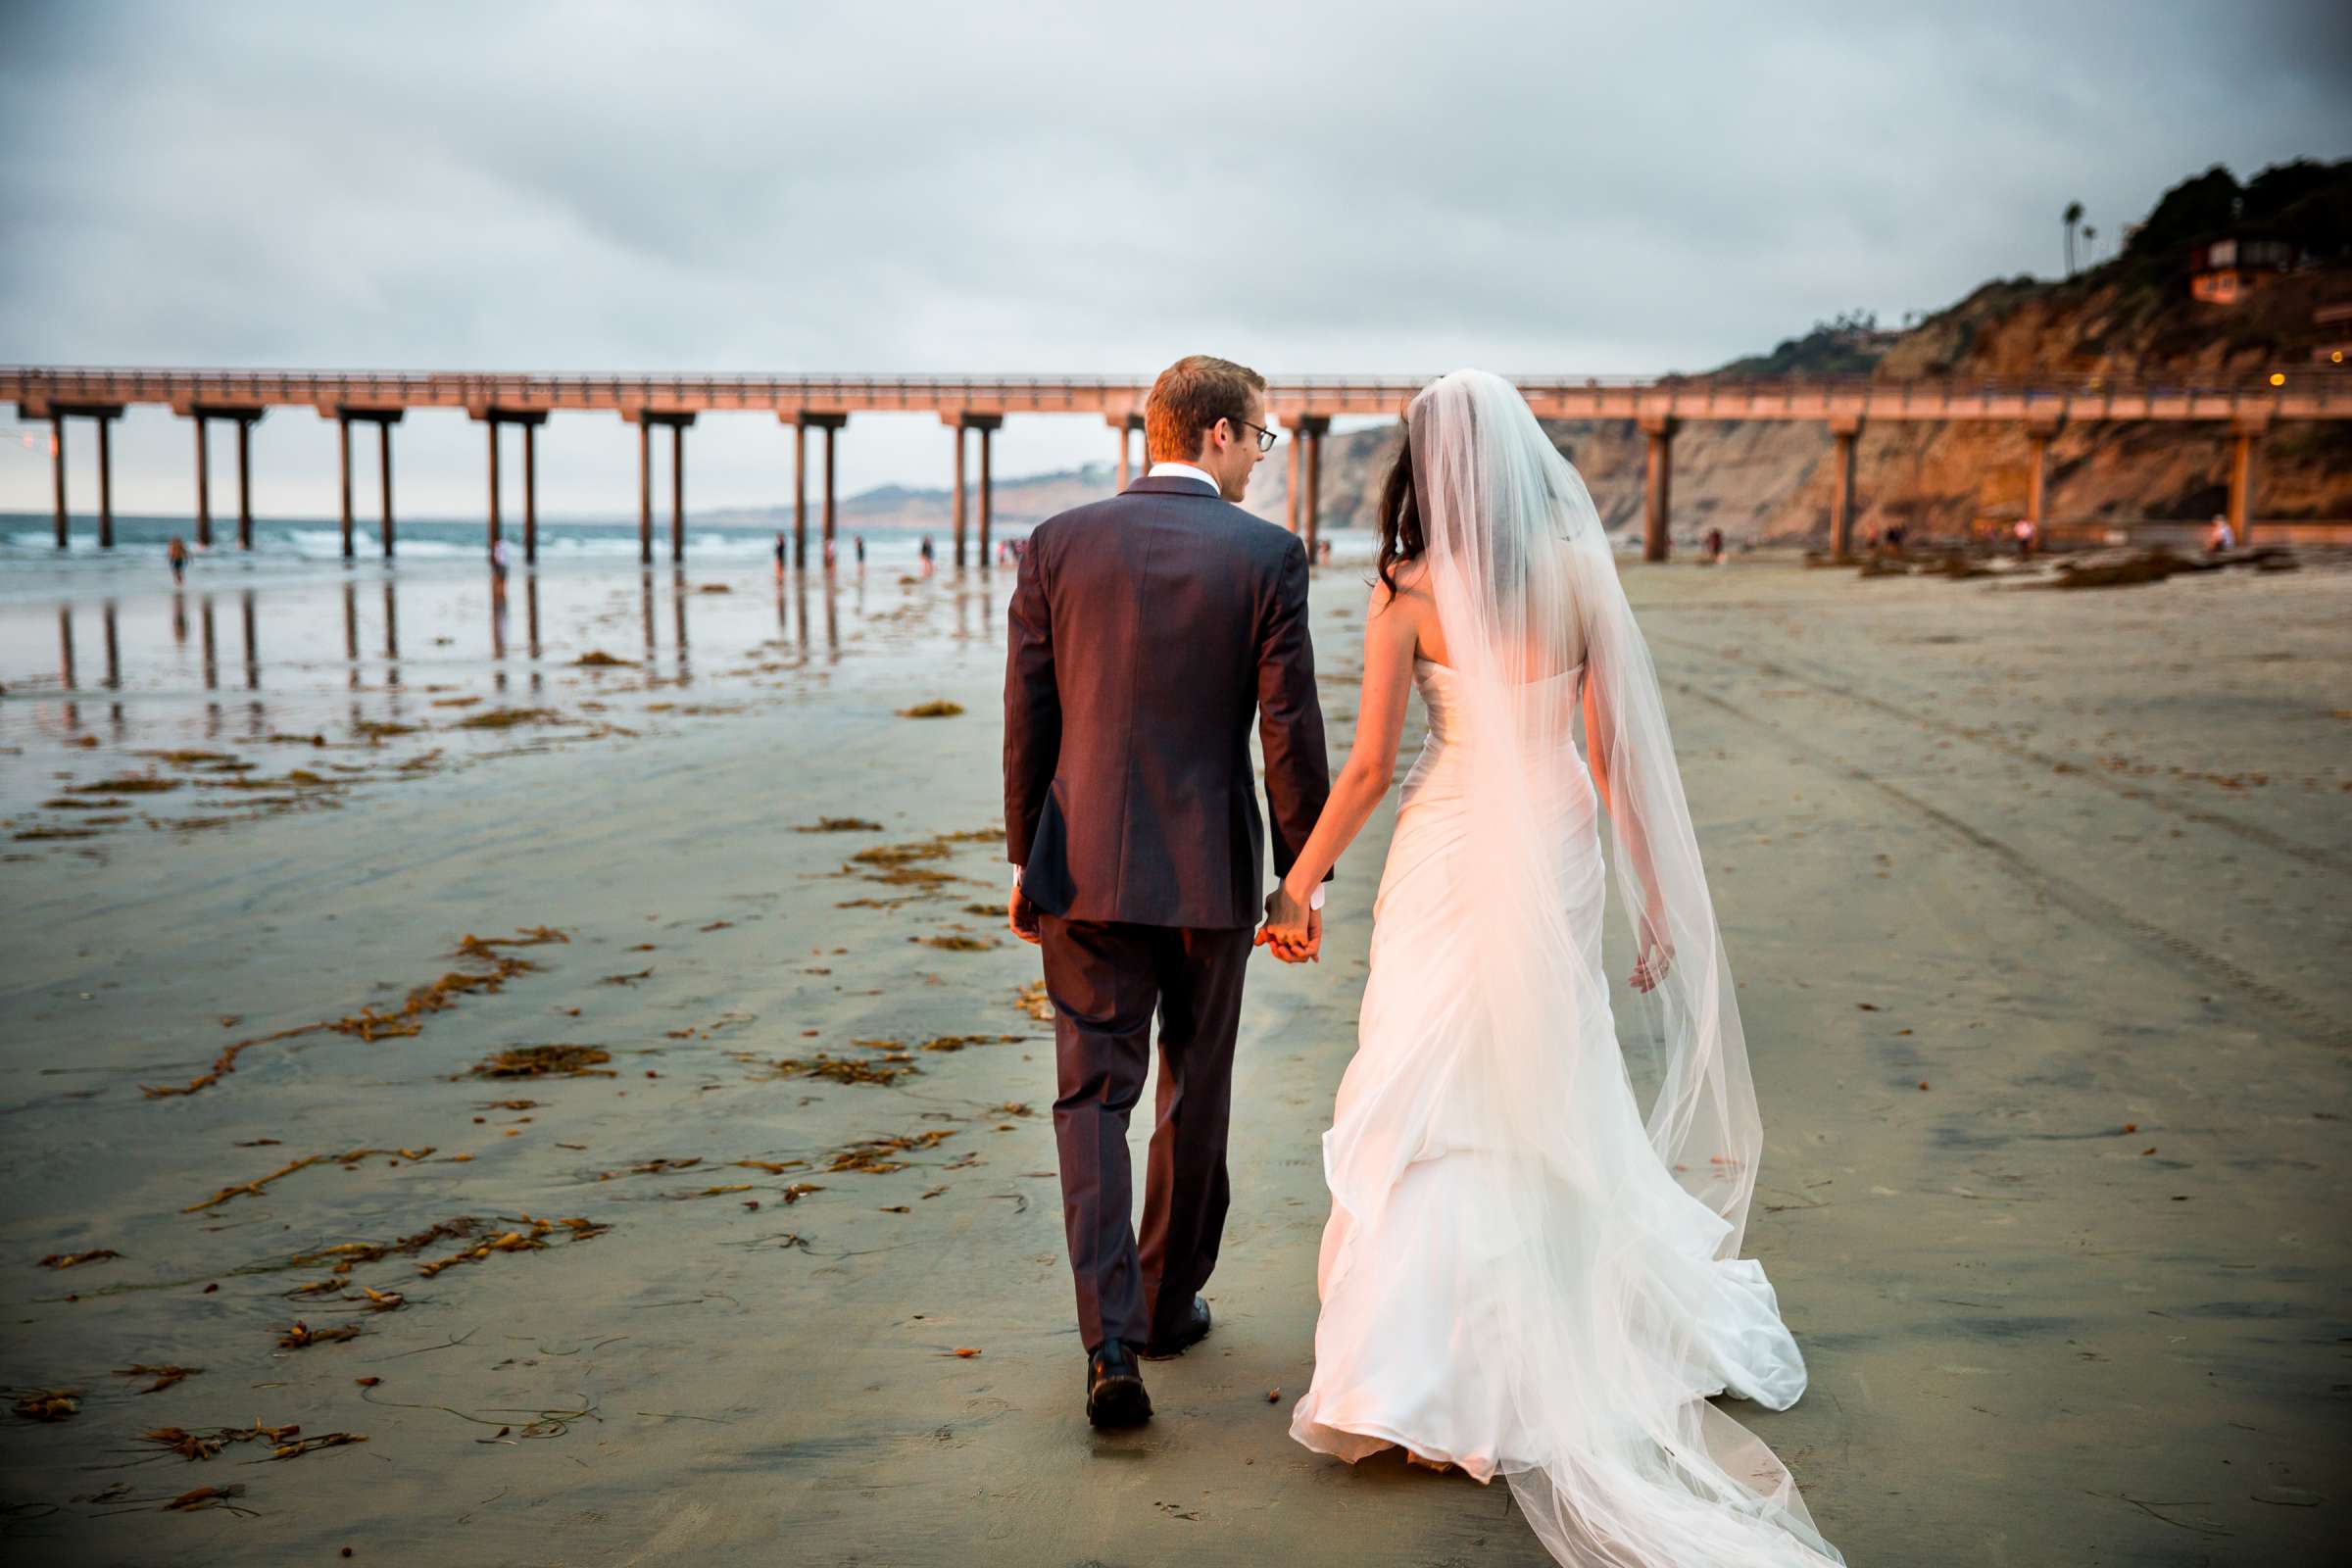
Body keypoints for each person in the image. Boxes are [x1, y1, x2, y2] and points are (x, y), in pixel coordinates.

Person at [1263, 371, 1841, 1567]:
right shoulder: (1580, 577)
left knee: (1432, 1076)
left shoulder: (1409, 590)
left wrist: (1299, 881)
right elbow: (1616, 751)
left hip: (1456, 835)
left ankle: (1415, 1378)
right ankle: (1545, 1332)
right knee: (1546, 1063)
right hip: (1561, 829)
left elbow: (1369, 768)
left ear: (1429, 468)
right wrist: (1655, 902)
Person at [1004, 354, 1330, 1430]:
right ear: (1222, 435)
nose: (1263, 459)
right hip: (1210, 876)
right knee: (1195, 1085)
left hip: (1082, 870)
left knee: (1091, 1098)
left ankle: (1108, 1342)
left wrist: (1025, 859)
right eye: (1264, 440)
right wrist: (1302, 876)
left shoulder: (1057, 544)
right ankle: (1164, 1296)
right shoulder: (1267, 556)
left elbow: (1031, 719)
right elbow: (1287, 728)